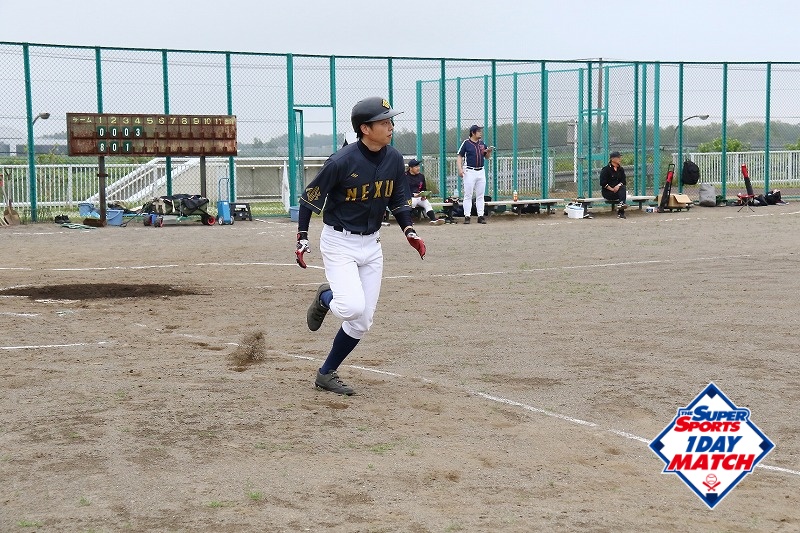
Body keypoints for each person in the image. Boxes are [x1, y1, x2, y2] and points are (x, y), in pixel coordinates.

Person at [294, 96, 427, 395]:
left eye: (391, 121)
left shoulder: (394, 158)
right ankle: (325, 297)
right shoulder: (341, 161)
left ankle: (326, 373)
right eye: (384, 122)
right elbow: (309, 199)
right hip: (339, 242)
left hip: (372, 244)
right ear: (365, 129)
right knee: (351, 307)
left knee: (363, 321)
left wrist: (409, 230)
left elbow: (398, 200)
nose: (391, 127)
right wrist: (302, 237)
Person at [456, 124, 493, 224]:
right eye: (478, 131)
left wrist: (488, 152)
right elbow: (459, 156)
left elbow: (486, 157)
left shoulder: (482, 143)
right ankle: (467, 216)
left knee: (480, 195)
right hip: (469, 171)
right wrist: (460, 169)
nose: (480, 133)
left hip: (481, 171)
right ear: (473, 133)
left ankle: (480, 216)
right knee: (468, 194)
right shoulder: (466, 143)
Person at [405, 158, 445, 225]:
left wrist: (424, 195)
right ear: (410, 168)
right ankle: (408, 220)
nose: (418, 168)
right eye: (416, 167)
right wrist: (412, 195)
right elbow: (402, 190)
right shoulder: (405, 176)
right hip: (408, 197)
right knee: (413, 202)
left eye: (418, 166)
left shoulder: (421, 176)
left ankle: (433, 220)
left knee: (426, 203)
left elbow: (424, 188)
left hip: (419, 197)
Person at [599, 150, 628, 219]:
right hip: (608, 192)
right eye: (618, 157)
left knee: (623, 188)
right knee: (622, 191)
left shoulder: (621, 169)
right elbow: (602, 183)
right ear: (612, 159)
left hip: (617, 192)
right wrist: (611, 189)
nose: (620, 159)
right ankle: (621, 208)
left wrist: (618, 186)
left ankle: (621, 211)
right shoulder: (606, 169)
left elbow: (623, 181)